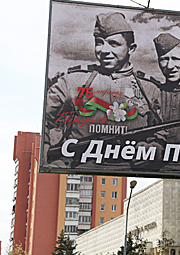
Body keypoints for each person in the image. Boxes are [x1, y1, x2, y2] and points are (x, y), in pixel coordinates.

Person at [44, 11, 155, 163]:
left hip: (129, 170)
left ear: (131, 48)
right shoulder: (73, 81)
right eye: (99, 42)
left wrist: (156, 148)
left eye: (114, 44)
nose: (104, 50)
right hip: (78, 166)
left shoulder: (149, 88)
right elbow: (43, 119)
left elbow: (163, 132)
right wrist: (45, 158)